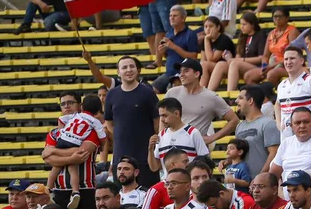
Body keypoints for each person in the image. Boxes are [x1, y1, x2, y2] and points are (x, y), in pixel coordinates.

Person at [103, 56, 159, 188]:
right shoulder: (111, 95)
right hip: (120, 157)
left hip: (145, 158)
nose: (129, 70)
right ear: (118, 72)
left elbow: (157, 122)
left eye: (132, 66)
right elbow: (109, 124)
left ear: (138, 70)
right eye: (124, 67)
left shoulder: (147, 93)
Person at [165, 58, 240, 149]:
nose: (181, 75)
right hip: (173, 148)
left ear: (197, 74)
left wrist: (212, 138)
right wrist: (162, 139)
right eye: (180, 71)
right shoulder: (172, 93)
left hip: (196, 150)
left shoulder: (211, 97)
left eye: (186, 71)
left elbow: (234, 120)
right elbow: (163, 117)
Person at [275, 46, 311, 135]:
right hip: (286, 139)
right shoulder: (281, 85)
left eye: (292, 58)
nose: (288, 62)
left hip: (310, 137)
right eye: (286, 59)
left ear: (301, 61)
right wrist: (278, 123)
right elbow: (277, 104)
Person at [232, 85, 281, 177]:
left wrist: (261, 177)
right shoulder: (239, 126)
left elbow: (274, 153)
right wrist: (226, 162)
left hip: (261, 186)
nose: (236, 101)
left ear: (250, 101)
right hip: (242, 184)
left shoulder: (268, 123)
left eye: (241, 98)